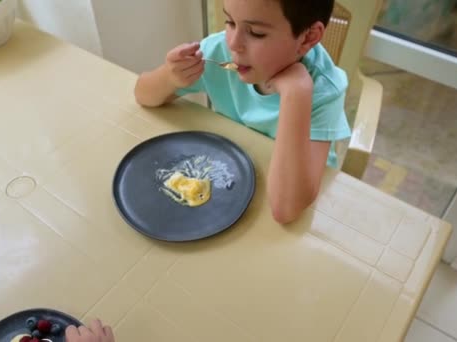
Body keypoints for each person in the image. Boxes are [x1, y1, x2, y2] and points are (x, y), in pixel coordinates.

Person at [134, 0, 350, 224]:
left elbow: (287, 209)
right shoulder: (219, 50)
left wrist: (296, 95)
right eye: (230, 22)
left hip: (298, 199)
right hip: (230, 181)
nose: (234, 44)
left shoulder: (324, 90)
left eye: (256, 33)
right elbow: (143, 95)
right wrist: (169, 76)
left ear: (308, 37)